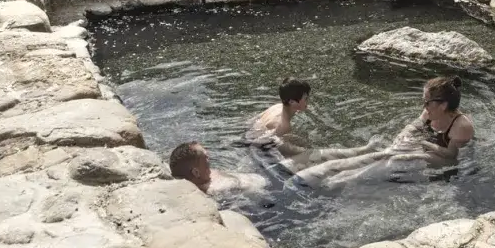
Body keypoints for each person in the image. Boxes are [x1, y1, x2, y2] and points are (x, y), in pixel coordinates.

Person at [291, 75, 474, 189]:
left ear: (443, 105)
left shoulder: (461, 126)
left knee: (395, 159)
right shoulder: (430, 111)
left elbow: (451, 157)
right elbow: (415, 125)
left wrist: (421, 145)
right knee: (384, 154)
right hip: (424, 150)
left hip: (442, 162)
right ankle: (325, 172)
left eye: (427, 102)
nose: (423, 106)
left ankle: (339, 182)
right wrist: (404, 135)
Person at [248, 77, 380, 169]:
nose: (308, 101)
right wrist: (306, 150)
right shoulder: (284, 125)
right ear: (292, 102)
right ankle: (364, 151)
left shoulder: (276, 107)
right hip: (262, 150)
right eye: (305, 98)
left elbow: (253, 120)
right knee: (313, 154)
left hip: (253, 134)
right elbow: (272, 144)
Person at [168, 141, 267, 198]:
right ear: (196, 172)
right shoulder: (216, 190)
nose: (209, 159)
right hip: (264, 189)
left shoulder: (204, 174)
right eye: (205, 157)